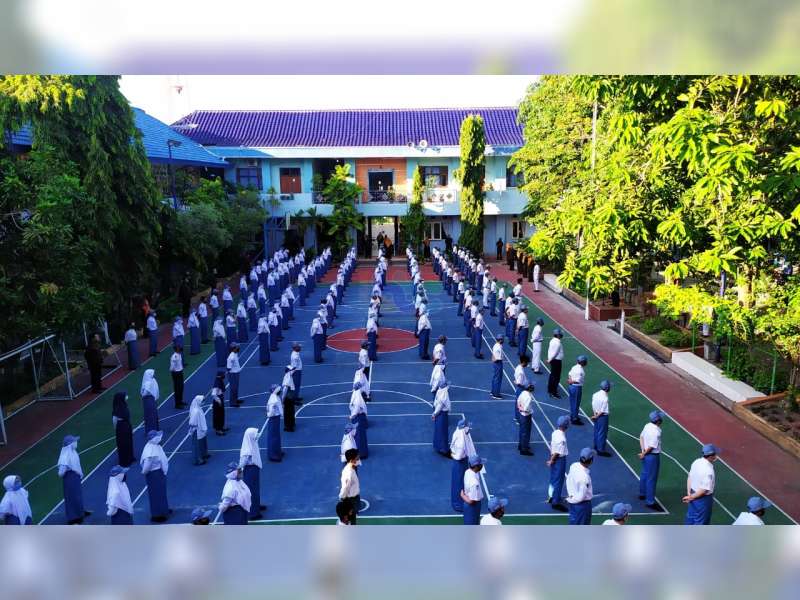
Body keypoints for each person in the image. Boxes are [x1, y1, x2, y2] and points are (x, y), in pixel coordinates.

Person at [57, 434, 90, 524]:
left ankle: (79, 512)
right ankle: (73, 518)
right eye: (74, 441)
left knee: (77, 496)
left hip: (75, 477)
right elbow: (60, 473)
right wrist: (70, 471)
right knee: (72, 497)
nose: (76, 443)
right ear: (70, 444)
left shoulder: (73, 452)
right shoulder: (65, 456)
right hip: (70, 478)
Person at [683, 444, 718, 525]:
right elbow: (704, 490)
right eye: (715, 454)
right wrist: (691, 497)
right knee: (701, 523)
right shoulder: (709, 470)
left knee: (690, 519)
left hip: (692, 493)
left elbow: (690, 477)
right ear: (711, 456)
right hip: (702, 500)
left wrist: (689, 494)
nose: (716, 455)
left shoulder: (696, 462)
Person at [140, 430, 170, 523]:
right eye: (157, 436)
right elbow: (146, 467)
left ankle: (164, 509)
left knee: (161, 492)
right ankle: (157, 515)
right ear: (153, 438)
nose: (160, 437)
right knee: (156, 494)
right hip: (154, 474)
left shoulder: (154, 446)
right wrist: (144, 472)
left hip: (158, 473)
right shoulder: (150, 451)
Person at [639, 410, 664, 511]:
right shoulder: (656, 431)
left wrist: (642, 451)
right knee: (651, 479)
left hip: (646, 453)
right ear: (658, 420)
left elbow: (641, 437)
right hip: (652, 456)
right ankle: (650, 501)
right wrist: (644, 453)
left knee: (644, 474)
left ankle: (642, 493)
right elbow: (652, 446)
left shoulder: (647, 425)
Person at [450, 418, 476, 512]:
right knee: (460, 482)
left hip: (459, 462)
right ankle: (459, 504)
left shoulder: (458, 433)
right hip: (460, 462)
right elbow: (459, 454)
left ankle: (456, 501)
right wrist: (455, 456)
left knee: (458, 481)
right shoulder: (461, 438)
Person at [239, 427, 265, 520]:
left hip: (254, 469)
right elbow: (242, 463)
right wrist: (238, 472)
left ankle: (256, 505)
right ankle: (253, 513)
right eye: (255, 434)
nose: (257, 435)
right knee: (251, 491)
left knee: (256, 489)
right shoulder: (247, 449)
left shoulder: (252, 443)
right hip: (250, 470)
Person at [547, 415, 570, 512]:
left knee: (553, 479)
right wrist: (552, 460)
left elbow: (553, 447)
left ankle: (552, 496)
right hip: (559, 460)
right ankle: (555, 502)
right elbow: (558, 452)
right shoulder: (562, 439)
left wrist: (551, 459)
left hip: (554, 457)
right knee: (559, 481)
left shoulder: (555, 432)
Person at [566, 448, 595, 525]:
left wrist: (571, 498)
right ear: (591, 461)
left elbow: (568, 480)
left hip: (573, 502)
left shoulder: (573, 465)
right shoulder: (585, 478)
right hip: (582, 506)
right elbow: (581, 497)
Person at [112, 392, 136, 467]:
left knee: (129, 442)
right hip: (121, 427)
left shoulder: (124, 405)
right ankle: (124, 461)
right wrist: (117, 429)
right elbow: (114, 421)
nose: (126, 397)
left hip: (126, 425)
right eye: (124, 396)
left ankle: (130, 457)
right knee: (123, 444)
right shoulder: (116, 409)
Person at [339, 448, 362, 524]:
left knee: (353, 518)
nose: (358, 457)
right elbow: (345, 487)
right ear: (352, 460)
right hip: (351, 500)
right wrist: (342, 497)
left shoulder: (352, 468)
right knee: (350, 520)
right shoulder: (349, 473)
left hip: (354, 498)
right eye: (357, 457)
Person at [461, 455, 485, 525]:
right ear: (476, 466)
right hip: (472, 507)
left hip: (470, 505)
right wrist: (462, 495)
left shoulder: (468, 471)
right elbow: (471, 501)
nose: (482, 465)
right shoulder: (474, 483)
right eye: (481, 464)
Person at [591, 380, 612, 456]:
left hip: (596, 413)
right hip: (602, 417)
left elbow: (593, 405)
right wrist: (597, 416)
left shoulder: (595, 394)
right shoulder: (605, 398)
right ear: (607, 388)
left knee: (596, 430)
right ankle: (601, 450)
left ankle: (596, 445)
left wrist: (594, 415)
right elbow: (603, 411)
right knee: (602, 433)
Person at [431, 378, 451, 457]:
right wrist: (434, 414)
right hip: (442, 414)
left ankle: (438, 446)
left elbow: (436, 405)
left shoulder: (439, 392)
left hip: (439, 414)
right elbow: (440, 406)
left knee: (438, 431)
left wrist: (434, 414)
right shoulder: (444, 394)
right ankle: (443, 449)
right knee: (443, 431)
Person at [188, 394, 210, 466]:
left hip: (201, 429)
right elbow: (192, 422)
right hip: (197, 430)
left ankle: (204, 454)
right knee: (197, 445)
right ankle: (198, 460)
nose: (203, 402)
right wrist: (194, 428)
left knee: (203, 442)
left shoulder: (198, 407)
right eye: (202, 401)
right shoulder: (195, 411)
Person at [350, 382, 369, 458]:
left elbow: (356, 407)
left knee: (358, 436)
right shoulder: (358, 395)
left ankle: (360, 453)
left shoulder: (357, 397)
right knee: (360, 435)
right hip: (359, 417)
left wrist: (352, 416)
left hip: (357, 417)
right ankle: (362, 452)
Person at [567, 355, 588, 425]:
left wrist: (570, 380)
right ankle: (574, 419)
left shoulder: (574, 367)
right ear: (583, 362)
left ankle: (572, 415)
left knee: (572, 402)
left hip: (571, 387)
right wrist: (571, 381)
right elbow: (578, 381)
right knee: (576, 403)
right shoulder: (580, 371)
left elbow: (569, 374)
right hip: (576, 388)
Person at [266, 384, 284, 461]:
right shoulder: (274, 399)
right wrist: (270, 415)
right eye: (279, 390)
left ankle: (277, 451)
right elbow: (271, 409)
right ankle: (273, 455)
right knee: (273, 437)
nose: (280, 391)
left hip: (275, 418)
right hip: (274, 418)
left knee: (276, 436)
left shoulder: (275, 397)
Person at [516, 383, 535, 456]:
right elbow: (526, 408)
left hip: (521, 415)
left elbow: (518, 401)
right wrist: (525, 410)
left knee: (522, 431)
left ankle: (521, 445)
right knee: (526, 432)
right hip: (526, 416)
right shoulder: (529, 397)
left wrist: (520, 408)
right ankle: (524, 449)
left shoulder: (523, 392)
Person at [140, 369, 160, 434]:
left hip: (149, 400)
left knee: (150, 415)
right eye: (152, 373)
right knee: (151, 415)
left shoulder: (150, 381)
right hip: (149, 400)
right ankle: (152, 431)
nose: (153, 374)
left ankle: (151, 430)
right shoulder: (149, 382)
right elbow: (145, 393)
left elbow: (143, 393)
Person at [546, 328, 564, 398]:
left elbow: (550, 351)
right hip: (556, 361)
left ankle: (550, 389)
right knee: (556, 377)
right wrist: (549, 360)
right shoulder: (558, 343)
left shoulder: (552, 340)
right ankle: (554, 392)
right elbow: (555, 353)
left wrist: (549, 359)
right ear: (558, 335)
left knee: (552, 375)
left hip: (553, 360)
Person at [513, 356, 530, 423]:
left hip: (520, 388)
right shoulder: (520, 372)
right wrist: (526, 387)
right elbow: (519, 383)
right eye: (526, 363)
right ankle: (519, 419)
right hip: (521, 389)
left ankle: (517, 417)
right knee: (521, 403)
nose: (527, 364)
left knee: (518, 403)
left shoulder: (518, 367)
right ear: (523, 362)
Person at [211, 371, 228, 436]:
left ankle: (221, 427)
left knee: (221, 414)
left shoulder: (219, 381)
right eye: (223, 375)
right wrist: (219, 401)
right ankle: (218, 430)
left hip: (220, 398)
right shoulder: (217, 384)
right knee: (217, 415)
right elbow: (213, 394)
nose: (224, 376)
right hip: (217, 401)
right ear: (220, 376)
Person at [170, 344, 186, 409]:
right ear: (176, 349)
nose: (180, 349)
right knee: (177, 389)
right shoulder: (174, 356)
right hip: (176, 373)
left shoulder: (179, 355)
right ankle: (177, 404)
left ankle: (180, 401)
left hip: (180, 372)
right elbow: (172, 367)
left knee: (181, 387)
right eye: (179, 348)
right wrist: (175, 372)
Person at [227, 343, 242, 407]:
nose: (238, 348)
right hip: (233, 374)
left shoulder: (235, 354)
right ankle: (232, 402)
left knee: (236, 388)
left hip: (236, 373)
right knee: (233, 388)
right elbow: (228, 367)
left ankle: (235, 399)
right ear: (233, 349)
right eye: (237, 348)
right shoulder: (231, 357)